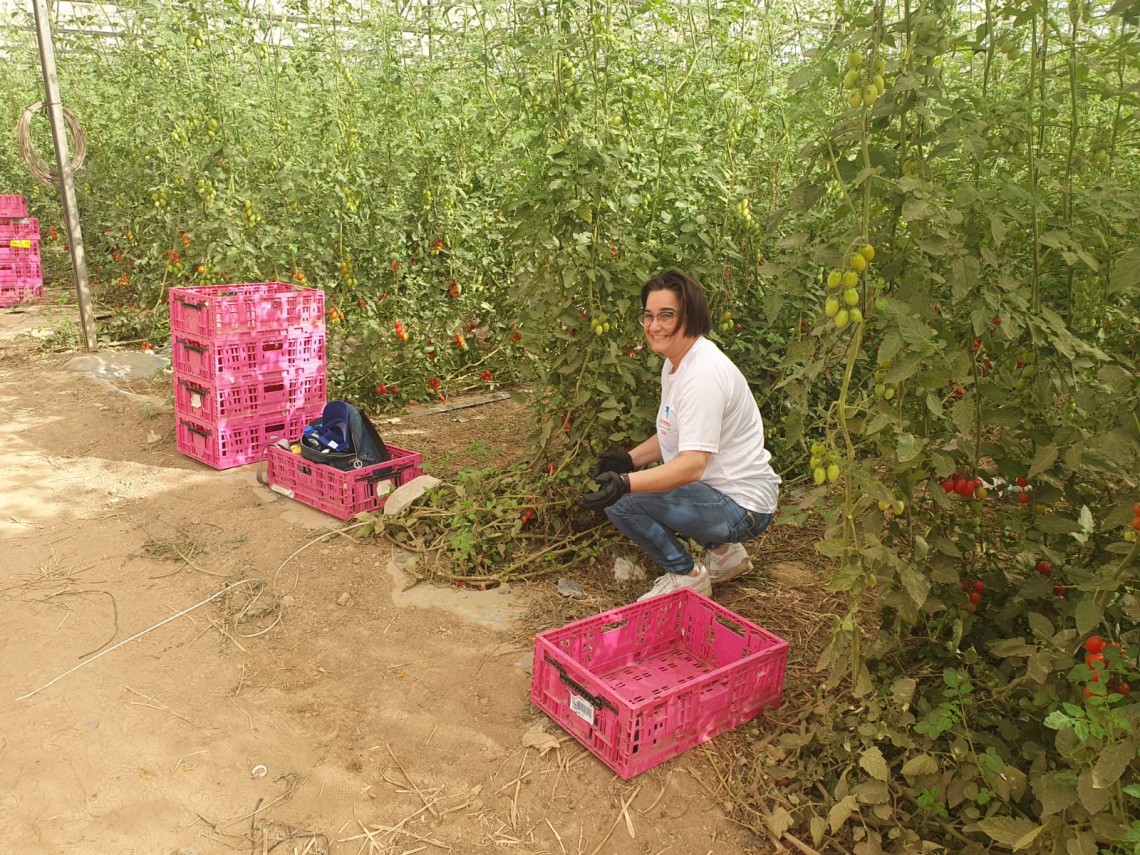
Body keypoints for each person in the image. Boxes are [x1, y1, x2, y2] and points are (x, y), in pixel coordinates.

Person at [580, 270, 780, 602]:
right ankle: (727, 556)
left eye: (666, 316)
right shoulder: (677, 363)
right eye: (648, 315)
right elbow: (674, 433)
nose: (653, 326)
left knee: (622, 503)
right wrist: (630, 460)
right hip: (724, 493)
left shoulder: (702, 375)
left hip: (741, 505)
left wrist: (625, 483)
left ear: (690, 316)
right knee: (643, 486)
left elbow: (691, 466)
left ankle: (686, 575)